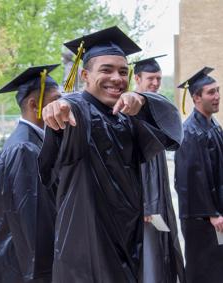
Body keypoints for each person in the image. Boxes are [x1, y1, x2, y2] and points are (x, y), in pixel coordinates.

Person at [38, 26, 183, 282]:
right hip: (88, 244)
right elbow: (67, 108)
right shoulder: (78, 112)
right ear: (84, 74)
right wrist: (59, 106)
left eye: (123, 72)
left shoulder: (126, 117)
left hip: (128, 237)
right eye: (106, 70)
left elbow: (170, 129)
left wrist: (144, 101)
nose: (117, 78)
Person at [0, 64, 61, 283]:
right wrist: (40, 273)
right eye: (56, 99)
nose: (62, 105)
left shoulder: (34, 140)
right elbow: (30, 217)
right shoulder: (24, 148)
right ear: (34, 104)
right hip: (24, 264)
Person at [133, 55, 185, 283]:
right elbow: (136, 163)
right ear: (137, 78)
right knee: (148, 255)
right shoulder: (131, 111)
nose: (155, 83)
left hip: (159, 196)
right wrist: (143, 203)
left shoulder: (155, 108)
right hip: (144, 204)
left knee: (161, 251)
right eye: (150, 78)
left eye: (158, 78)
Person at [175, 67, 223, 283]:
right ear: (196, 97)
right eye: (211, 92)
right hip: (200, 217)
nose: (217, 96)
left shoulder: (213, 125)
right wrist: (211, 213)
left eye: (218, 91)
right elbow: (190, 180)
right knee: (203, 267)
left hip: (214, 212)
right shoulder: (191, 132)